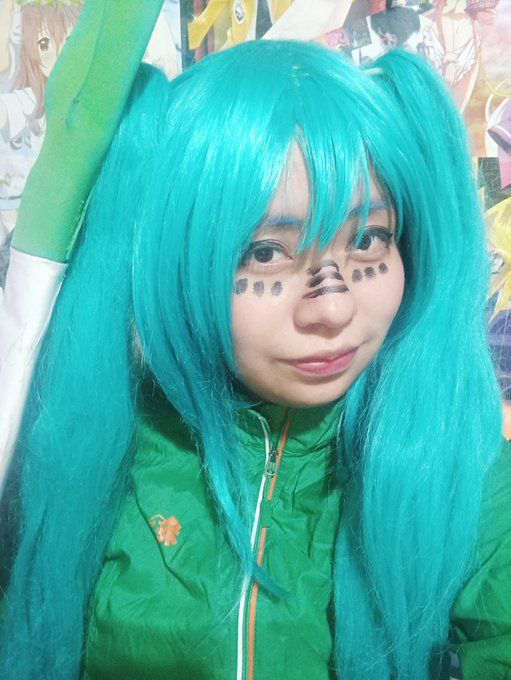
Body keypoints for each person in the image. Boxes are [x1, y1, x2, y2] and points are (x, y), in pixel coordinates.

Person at [0, 8, 509, 680]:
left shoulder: (457, 458)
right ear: (174, 259)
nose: (333, 308)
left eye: (368, 239)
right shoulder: (88, 444)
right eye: (266, 252)